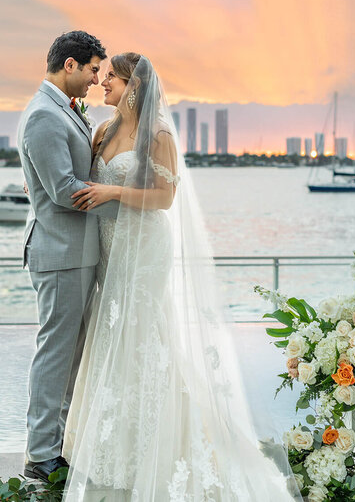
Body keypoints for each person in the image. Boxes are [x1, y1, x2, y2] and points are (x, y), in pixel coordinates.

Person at [62, 52, 300, 501]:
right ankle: (114, 442)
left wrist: (113, 189)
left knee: (145, 333)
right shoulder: (103, 130)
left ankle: (163, 442)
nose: (103, 84)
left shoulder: (159, 135)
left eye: (111, 77)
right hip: (110, 245)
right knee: (112, 332)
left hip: (145, 246)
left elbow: (166, 199)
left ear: (134, 85)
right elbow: (78, 180)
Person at [15, 30, 119, 483]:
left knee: (70, 353)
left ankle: (54, 446)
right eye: (94, 69)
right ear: (71, 65)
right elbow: (62, 190)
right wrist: (133, 200)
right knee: (56, 354)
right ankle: (40, 454)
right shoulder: (43, 115)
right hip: (60, 253)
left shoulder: (63, 110)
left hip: (76, 251)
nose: (98, 79)